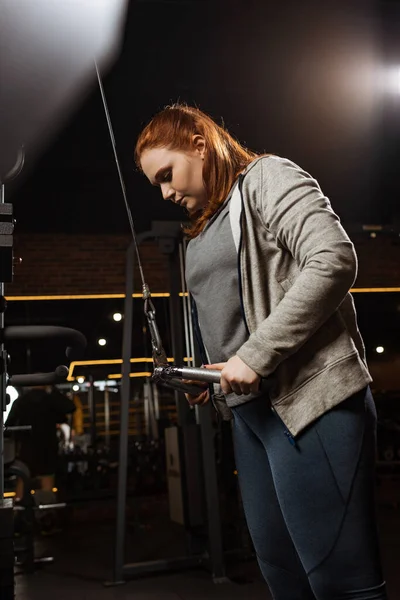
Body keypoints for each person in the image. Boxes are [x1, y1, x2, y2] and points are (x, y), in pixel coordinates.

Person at [135, 104, 388, 599]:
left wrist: (255, 355)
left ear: (200, 143)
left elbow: (333, 259)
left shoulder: (267, 177)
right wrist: (209, 376)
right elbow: (237, 323)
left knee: (340, 584)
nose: (166, 192)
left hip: (311, 404)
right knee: (285, 580)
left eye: (167, 174)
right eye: (156, 185)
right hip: (252, 420)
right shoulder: (203, 230)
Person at [6, 385, 76, 502]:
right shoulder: (50, 400)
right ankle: (44, 513)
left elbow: (10, 424)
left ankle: (17, 511)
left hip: (27, 448)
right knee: (47, 483)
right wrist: (53, 391)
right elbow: (70, 408)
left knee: (22, 480)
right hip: (47, 448)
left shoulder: (23, 401)